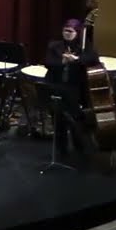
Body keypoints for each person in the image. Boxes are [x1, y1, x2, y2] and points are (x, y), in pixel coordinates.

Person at [43, 18, 99, 155]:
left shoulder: (84, 46)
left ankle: (80, 147)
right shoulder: (54, 45)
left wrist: (77, 59)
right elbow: (48, 62)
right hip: (56, 85)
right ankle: (61, 149)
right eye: (65, 30)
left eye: (70, 31)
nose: (67, 33)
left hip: (74, 87)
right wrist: (63, 61)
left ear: (77, 32)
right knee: (58, 119)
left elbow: (93, 59)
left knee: (75, 119)